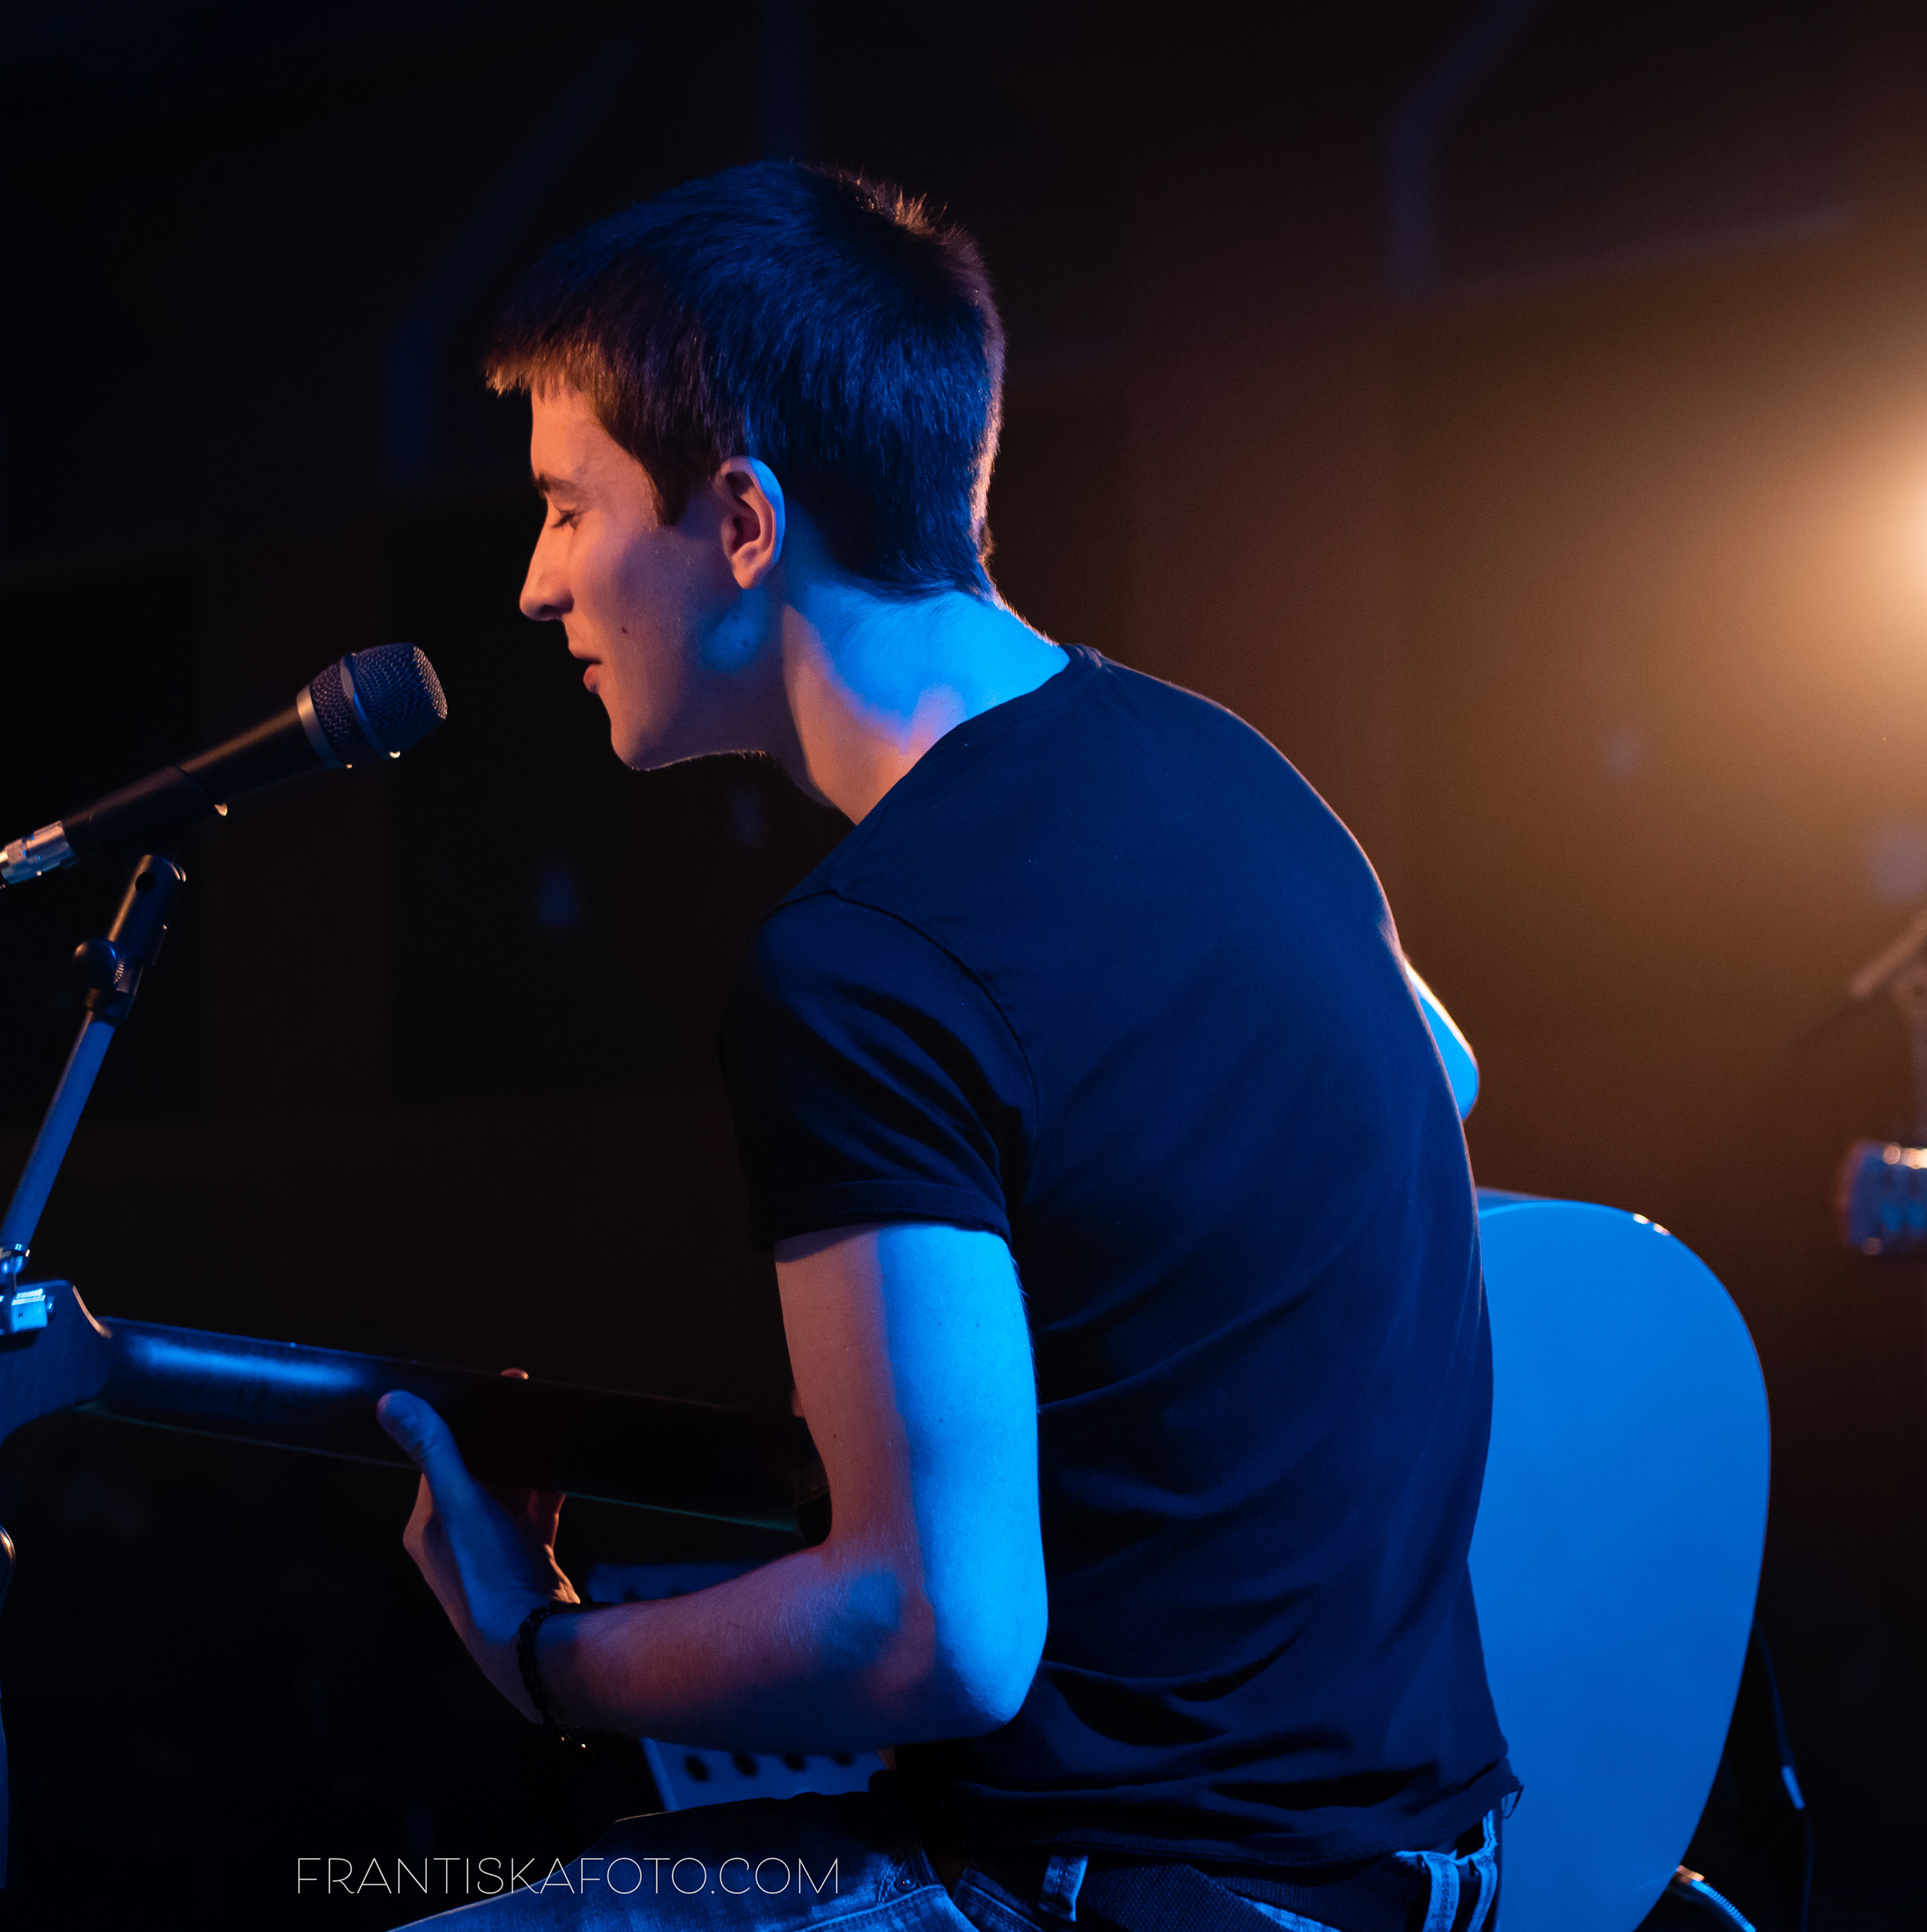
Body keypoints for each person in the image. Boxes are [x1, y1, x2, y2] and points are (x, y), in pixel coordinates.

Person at [371, 162, 1511, 1932]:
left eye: (567, 508)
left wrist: (543, 1647)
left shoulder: (861, 968)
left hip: (1109, 1892)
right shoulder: (1232, 769)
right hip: (1432, 1863)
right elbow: (1430, 1075)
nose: (535, 584)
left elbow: (934, 1631)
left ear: (742, 521)